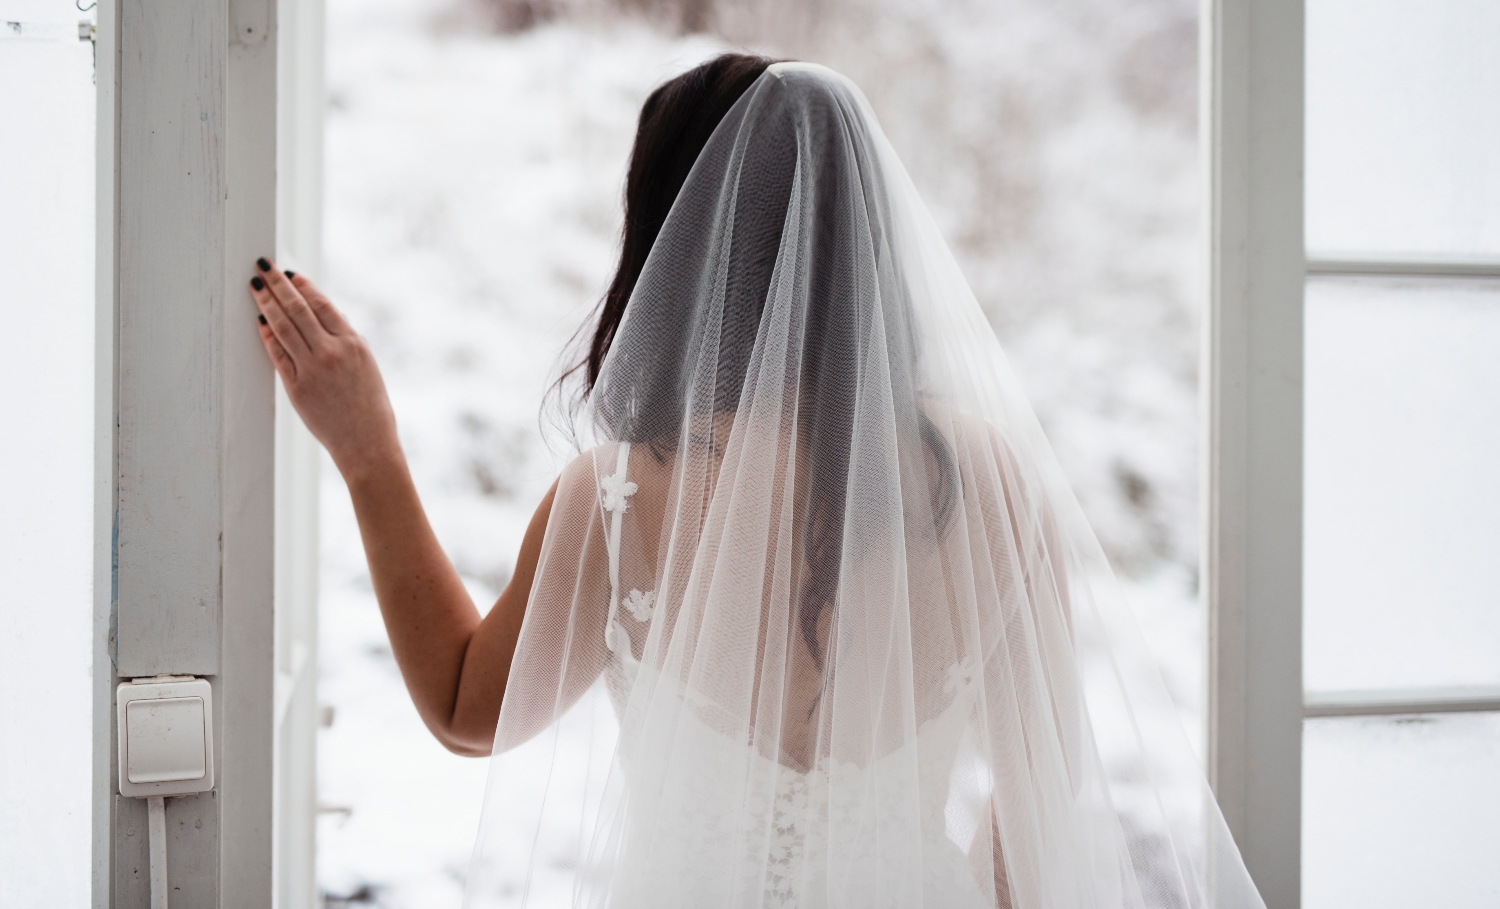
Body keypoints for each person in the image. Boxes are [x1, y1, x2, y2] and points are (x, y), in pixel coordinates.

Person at [250, 55, 1265, 908]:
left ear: (670, 251)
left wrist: (369, 454)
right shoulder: (993, 482)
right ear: (866, 240)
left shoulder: (617, 499)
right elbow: (1046, 801)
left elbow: (469, 706)